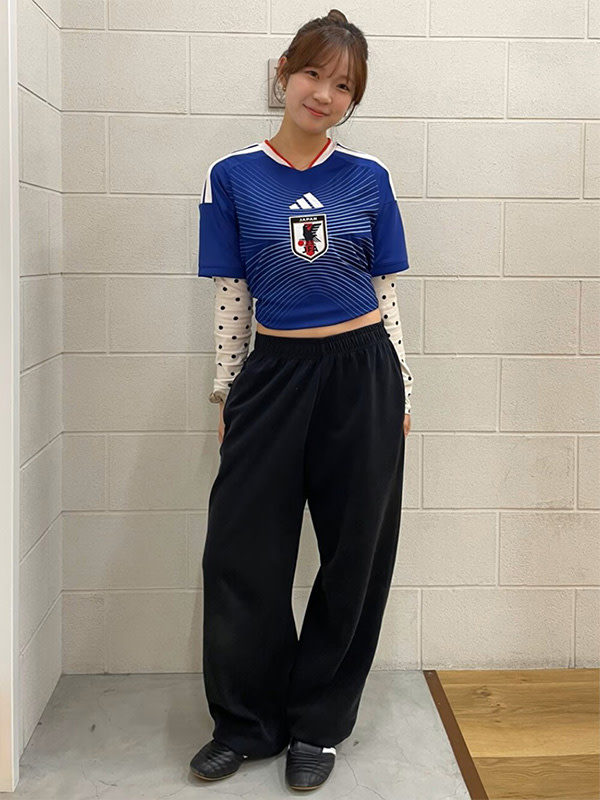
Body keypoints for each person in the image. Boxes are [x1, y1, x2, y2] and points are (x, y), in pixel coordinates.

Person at [189, 9, 414, 791]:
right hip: (273, 375)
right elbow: (232, 296)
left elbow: (385, 296)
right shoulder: (231, 175)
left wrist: (405, 389)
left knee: (355, 555)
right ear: (284, 71)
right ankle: (246, 724)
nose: (324, 93)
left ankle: (317, 724)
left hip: (364, 374)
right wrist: (228, 386)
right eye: (315, 73)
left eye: (344, 85)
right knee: (243, 553)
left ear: (354, 99)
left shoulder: (370, 178)